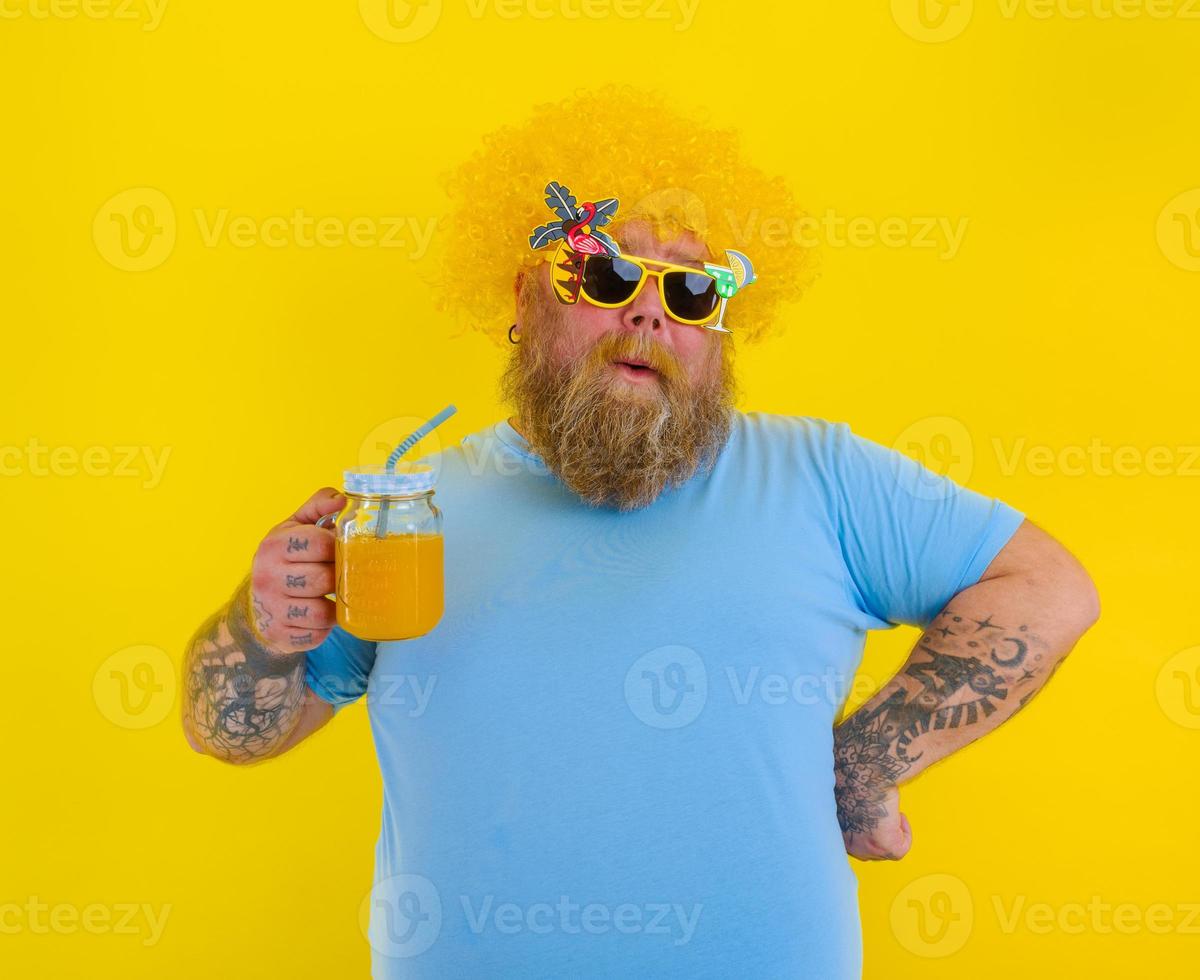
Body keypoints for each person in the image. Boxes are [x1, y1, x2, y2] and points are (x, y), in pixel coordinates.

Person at [180, 88, 1100, 977]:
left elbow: (1048, 586)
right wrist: (265, 630)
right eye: (609, 272)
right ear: (527, 296)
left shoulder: (826, 480)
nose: (649, 311)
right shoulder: (409, 515)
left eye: (694, 291)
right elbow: (231, 733)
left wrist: (866, 762)